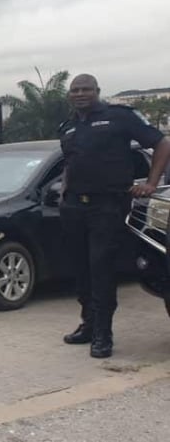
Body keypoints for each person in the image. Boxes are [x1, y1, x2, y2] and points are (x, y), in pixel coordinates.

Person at [59, 73, 170, 359]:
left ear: (97, 91)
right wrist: (64, 191)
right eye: (75, 90)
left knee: (100, 268)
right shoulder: (68, 126)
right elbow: (71, 163)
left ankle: (103, 335)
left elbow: (162, 143)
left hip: (107, 205)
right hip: (74, 206)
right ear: (70, 95)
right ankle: (88, 324)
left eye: (86, 89)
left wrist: (151, 183)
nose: (80, 94)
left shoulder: (119, 117)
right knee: (80, 268)